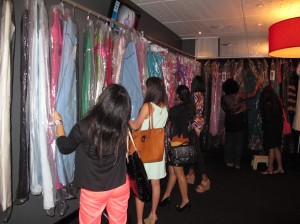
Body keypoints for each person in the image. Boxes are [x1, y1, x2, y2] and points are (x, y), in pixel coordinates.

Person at [54, 84, 131, 224]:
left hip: (93, 189)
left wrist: (59, 123)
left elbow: (65, 147)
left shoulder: (84, 126)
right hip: (120, 184)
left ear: (102, 101)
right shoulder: (123, 126)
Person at [129, 77, 168, 224]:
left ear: (151, 89)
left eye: (146, 87)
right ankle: (153, 214)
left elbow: (135, 126)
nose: (144, 89)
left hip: (145, 152)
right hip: (157, 151)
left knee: (141, 186)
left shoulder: (148, 106)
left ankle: (139, 221)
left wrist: (126, 118)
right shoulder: (165, 107)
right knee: (155, 183)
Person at [159, 85, 195, 212]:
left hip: (178, 144)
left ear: (179, 95)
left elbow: (166, 115)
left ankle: (185, 200)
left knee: (179, 173)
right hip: (182, 143)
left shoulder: (178, 109)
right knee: (173, 172)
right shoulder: (189, 108)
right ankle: (166, 196)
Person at [221, 78, 261, 169]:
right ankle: (237, 163)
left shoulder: (224, 98)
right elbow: (253, 94)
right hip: (239, 121)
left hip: (229, 121)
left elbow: (224, 109)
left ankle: (229, 161)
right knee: (238, 142)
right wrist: (257, 85)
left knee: (229, 142)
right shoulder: (239, 95)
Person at [185, 75, 211, 193]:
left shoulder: (193, 96)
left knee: (197, 151)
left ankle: (205, 180)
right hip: (200, 123)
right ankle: (191, 173)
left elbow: (191, 112)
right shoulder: (202, 96)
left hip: (194, 124)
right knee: (194, 149)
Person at [259, 85, 285, 174]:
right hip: (278, 127)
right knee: (276, 147)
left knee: (270, 148)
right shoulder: (277, 101)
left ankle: (270, 169)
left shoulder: (266, 104)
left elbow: (267, 118)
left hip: (270, 128)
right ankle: (280, 168)